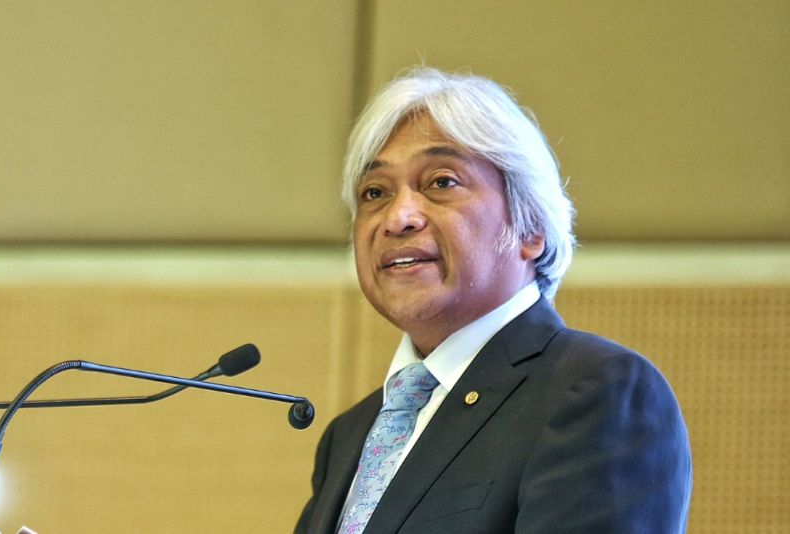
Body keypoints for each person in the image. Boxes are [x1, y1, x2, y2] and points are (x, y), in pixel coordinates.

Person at [295, 67, 692, 533]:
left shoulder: (597, 391)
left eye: (441, 182)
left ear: (531, 228)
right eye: (375, 192)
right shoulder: (349, 434)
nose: (398, 217)